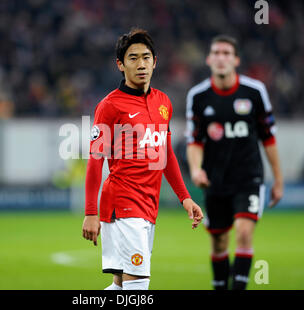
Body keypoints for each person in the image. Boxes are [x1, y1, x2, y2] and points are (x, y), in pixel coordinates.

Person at [82, 28, 203, 291]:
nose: (141, 64)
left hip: (148, 206)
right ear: (120, 65)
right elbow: (95, 160)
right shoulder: (109, 106)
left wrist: (185, 197)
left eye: (146, 57)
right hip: (123, 205)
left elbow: (166, 154)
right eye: (133, 58)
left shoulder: (163, 102)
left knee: (121, 286)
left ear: (155, 61)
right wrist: (90, 212)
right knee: (138, 286)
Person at [185, 35, 284, 290]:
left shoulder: (254, 92)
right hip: (215, 179)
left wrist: (278, 180)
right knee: (218, 241)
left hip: (248, 177)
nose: (221, 58)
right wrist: (196, 170)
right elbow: (194, 141)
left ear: (236, 59)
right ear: (208, 59)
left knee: (243, 231)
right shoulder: (198, 96)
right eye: (216, 52)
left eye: (227, 53)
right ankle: (220, 286)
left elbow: (268, 138)